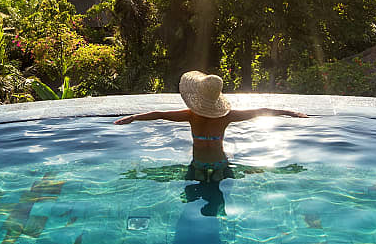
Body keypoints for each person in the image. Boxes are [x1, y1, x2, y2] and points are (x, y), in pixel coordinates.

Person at [114, 70, 307, 182]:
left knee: (191, 198)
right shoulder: (226, 117)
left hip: (198, 165)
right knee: (218, 202)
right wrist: (289, 112)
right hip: (220, 165)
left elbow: (160, 115)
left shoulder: (191, 116)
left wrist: (134, 117)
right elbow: (260, 111)